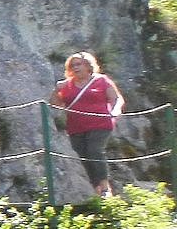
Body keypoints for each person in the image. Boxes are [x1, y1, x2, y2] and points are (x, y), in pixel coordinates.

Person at [52, 51, 126, 198]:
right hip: (76, 127)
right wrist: (57, 89)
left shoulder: (101, 81)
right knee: (82, 156)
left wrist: (115, 110)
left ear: (88, 65)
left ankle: (105, 188)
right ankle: (95, 187)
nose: (76, 67)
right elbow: (55, 105)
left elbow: (116, 99)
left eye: (79, 64)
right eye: (73, 65)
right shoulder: (67, 85)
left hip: (100, 123)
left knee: (94, 150)